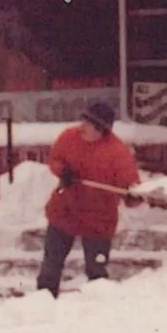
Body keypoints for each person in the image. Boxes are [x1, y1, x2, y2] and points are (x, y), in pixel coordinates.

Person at [36, 100, 141, 298]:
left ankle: (97, 309)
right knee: (51, 265)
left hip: (99, 219)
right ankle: (43, 303)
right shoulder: (69, 137)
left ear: (100, 130)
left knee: (97, 271)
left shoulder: (117, 153)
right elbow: (55, 158)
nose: (82, 126)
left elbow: (130, 185)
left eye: (88, 123)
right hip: (65, 211)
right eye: (83, 120)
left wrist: (134, 195)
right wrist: (62, 171)